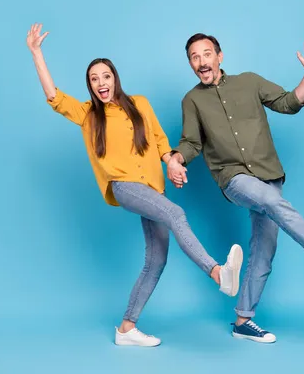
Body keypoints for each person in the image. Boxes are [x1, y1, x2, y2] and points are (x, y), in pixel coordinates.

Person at [26, 24, 243, 347]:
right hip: (123, 186)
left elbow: (160, 143)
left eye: (106, 76)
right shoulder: (89, 115)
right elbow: (54, 97)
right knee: (176, 215)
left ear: (115, 78)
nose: (101, 83)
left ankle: (126, 328)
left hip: (152, 189)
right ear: (90, 86)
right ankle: (217, 274)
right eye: (94, 79)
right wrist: (36, 53)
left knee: (156, 260)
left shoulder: (139, 103)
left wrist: (172, 163)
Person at [167, 33, 304, 343]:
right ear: (191, 64)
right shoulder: (192, 100)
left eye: (207, 54)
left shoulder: (249, 82)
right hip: (233, 178)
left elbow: (288, 103)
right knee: (271, 201)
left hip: (268, 174)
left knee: (264, 250)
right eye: (194, 56)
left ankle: (243, 321)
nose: (202, 61)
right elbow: (191, 143)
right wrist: (175, 159)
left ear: (220, 56)